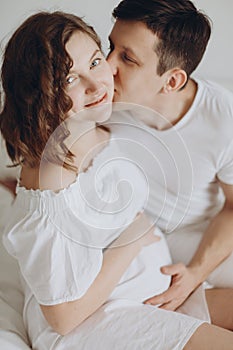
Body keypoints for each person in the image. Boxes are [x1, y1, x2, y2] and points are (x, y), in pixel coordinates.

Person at [1, 9, 233, 350]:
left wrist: (194, 272)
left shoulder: (96, 129)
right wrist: (131, 241)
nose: (105, 73)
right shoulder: (54, 183)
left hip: (140, 288)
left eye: (95, 61)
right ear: (43, 94)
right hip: (100, 318)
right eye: (70, 78)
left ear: (172, 81)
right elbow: (63, 318)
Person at [107, 0, 233, 318]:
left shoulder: (223, 117)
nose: (107, 65)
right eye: (110, 47)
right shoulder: (100, 97)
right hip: (138, 237)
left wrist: (195, 273)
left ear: (172, 81)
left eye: (127, 58)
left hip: (201, 234)